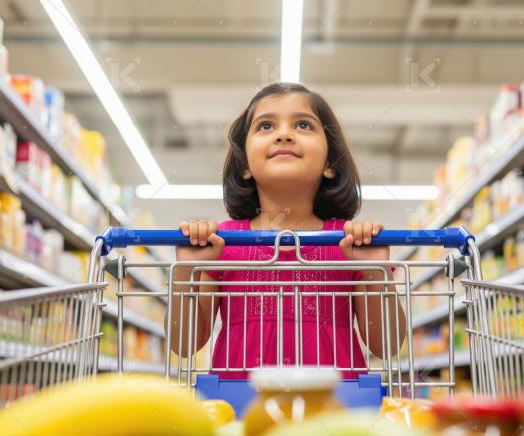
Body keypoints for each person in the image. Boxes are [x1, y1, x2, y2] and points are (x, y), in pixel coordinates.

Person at [170, 82, 406, 379]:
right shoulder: (220, 243)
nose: (284, 134)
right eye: (266, 125)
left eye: (303, 125)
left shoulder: (351, 244)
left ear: (329, 164)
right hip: (242, 410)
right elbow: (184, 344)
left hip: (336, 413)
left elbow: (388, 345)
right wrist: (185, 272)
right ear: (245, 165)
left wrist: (376, 271)